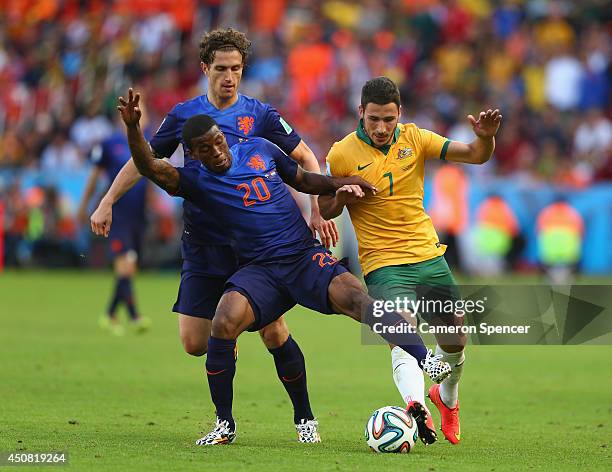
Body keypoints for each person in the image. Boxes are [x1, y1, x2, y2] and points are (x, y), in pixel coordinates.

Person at [117, 88, 452, 446]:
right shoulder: (195, 182)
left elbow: (304, 179)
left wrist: (342, 182)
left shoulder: (260, 149)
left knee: (355, 296)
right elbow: (150, 165)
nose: (216, 151)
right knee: (224, 321)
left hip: (301, 256)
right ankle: (224, 424)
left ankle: (425, 358)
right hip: (260, 269)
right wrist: (135, 130)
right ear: (194, 155)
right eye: (205, 149)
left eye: (218, 141)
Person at [90, 28, 337, 442]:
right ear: (205, 69)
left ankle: (303, 419)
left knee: (274, 331)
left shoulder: (259, 114)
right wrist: (108, 199)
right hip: (203, 243)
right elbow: (149, 161)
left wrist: (314, 208)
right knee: (192, 342)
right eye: (221, 69)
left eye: (236, 69)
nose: (229, 77)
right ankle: (230, 339)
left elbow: (304, 156)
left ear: (243, 70)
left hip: (252, 246)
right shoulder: (185, 115)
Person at [320, 77, 502, 445]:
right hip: (382, 262)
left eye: (389, 119)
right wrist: (343, 193)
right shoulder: (341, 153)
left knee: (455, 337)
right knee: (401, 333)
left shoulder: (416, 138)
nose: (382, 127)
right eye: (374, 119)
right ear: (360, 114)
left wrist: (485, 137)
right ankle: (415, 406)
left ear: (399, 114)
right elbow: (324, 208)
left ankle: (445, 399)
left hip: (426, 253)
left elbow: (476, 155)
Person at [78, 115, 151, 336]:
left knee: (129, 266)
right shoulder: (110, 144)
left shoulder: (149, 141)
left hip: (138, 216)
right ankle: (133, 315)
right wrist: (85, 204)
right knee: (125, 264)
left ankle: (111, 314)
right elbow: (94, 175)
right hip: (117, 215)